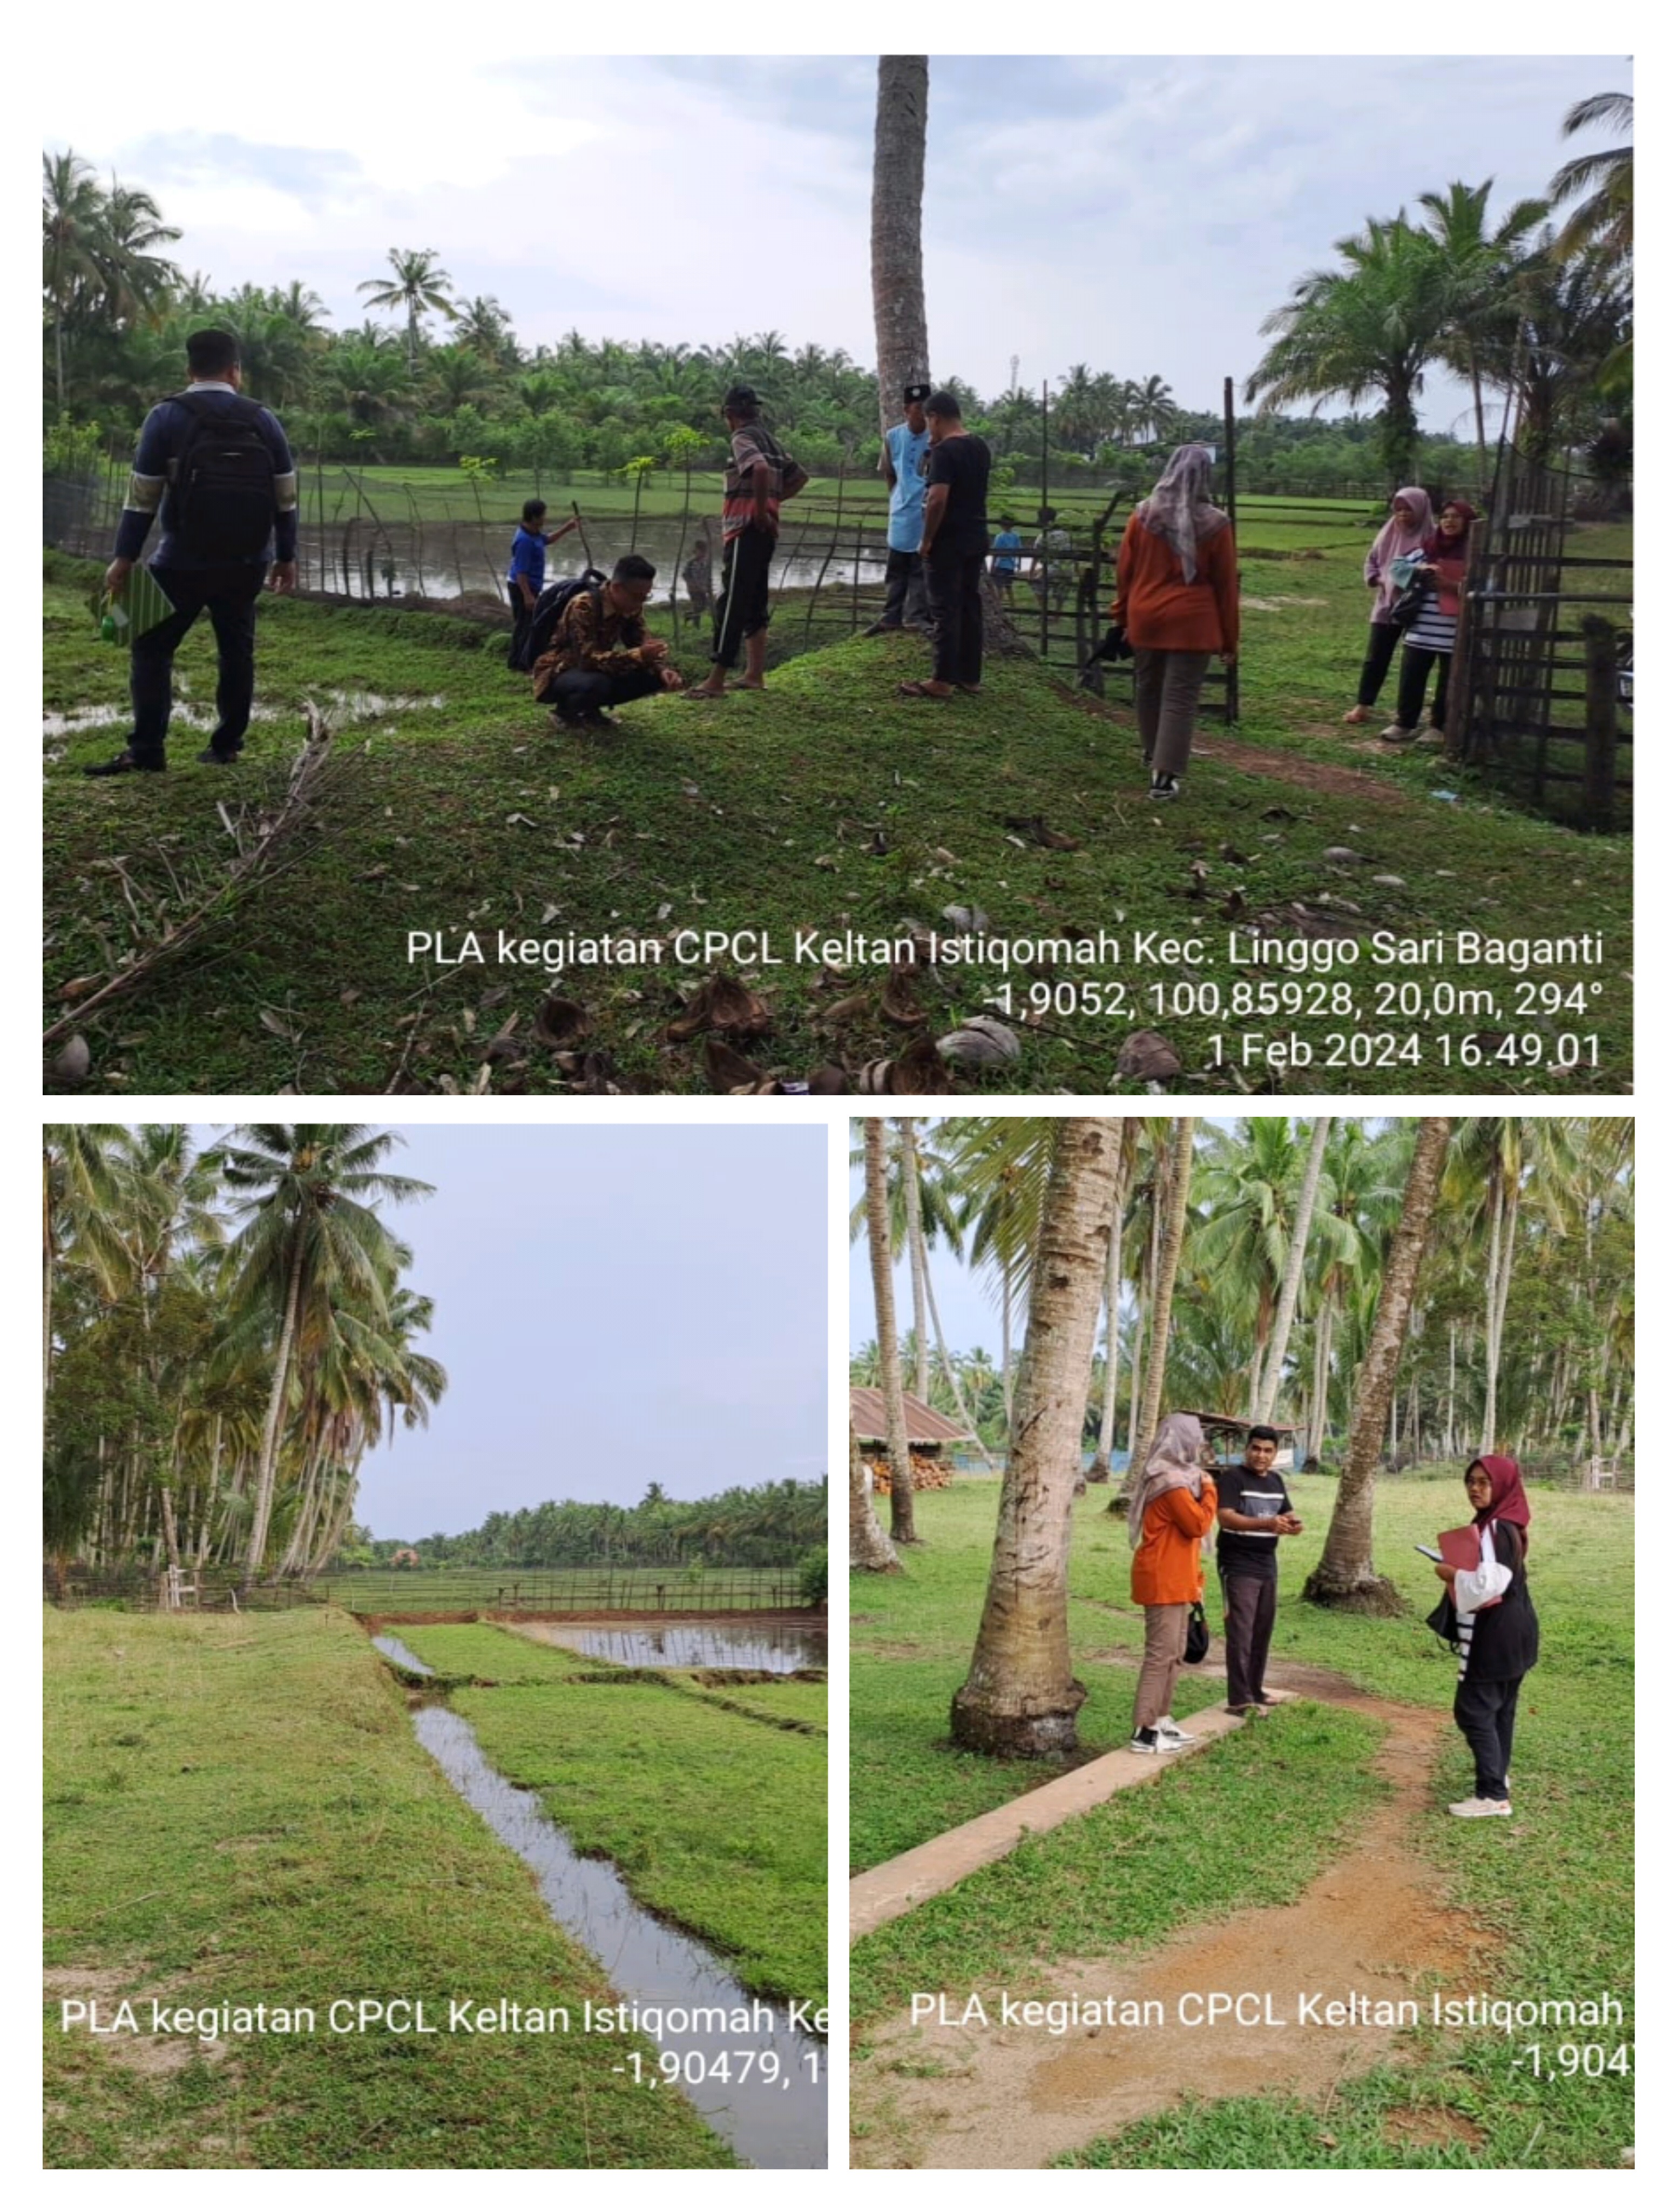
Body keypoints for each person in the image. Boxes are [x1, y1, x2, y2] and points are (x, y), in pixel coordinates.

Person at [86, 328, 299, 775]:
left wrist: (124, 557)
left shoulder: (165, 417)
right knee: (236, 650)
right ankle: (226, 747)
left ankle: (147, 752)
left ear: (190, 370)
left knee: (151, 649)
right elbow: (286, 497)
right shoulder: (264, 420)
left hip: (180, 560)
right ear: (235, 371)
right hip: (248, 561)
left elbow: (142, 498)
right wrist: (286, 555)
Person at [1111, 443, 1240, 801]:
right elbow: (1226, 586)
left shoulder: (1142, 516)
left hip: (1145, 616)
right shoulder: (1216, 523)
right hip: (1193, 623)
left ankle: (1152, 753)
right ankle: (1163, 778)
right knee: (1180, 696)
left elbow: (1125, 572)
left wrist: (1122, 615)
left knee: (1148, 687)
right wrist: (1230, 640)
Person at [1431, 1454, 1539, 1817]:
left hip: (1496, 1634)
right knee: (1501, 1711)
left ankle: (1492, 1796)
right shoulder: (1509, 1524)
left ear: (1503, 1485)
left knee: (1473, 1710)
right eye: (1470, 1482)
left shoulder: (1494, 1529)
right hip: (1519, 1630)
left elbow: (1487, 1586)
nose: (1475, 1489)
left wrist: (1449, 1573)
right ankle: (1498, 1779)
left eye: (1484, 1482)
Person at [688, 385, 807, 697]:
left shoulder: (742, 438)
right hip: (764, 532)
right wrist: (772, 504)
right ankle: (754, 674)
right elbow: (799, 477)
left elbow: (760, 468)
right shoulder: (771, 439)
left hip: (745, 530)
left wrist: (758, 510)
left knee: (731, 604)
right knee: (754, 601)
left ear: (730, 415)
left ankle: (716, 679)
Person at [1127, 1412, 1219, 1754]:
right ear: (1179, 1440)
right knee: (1159, 1654)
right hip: (1162, 1577)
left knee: (1176, 1653)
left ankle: (1162, 1720)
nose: (1199, 1444)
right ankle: (1144, 1730)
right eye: (1194, 1437)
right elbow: (1197, 1525)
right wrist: (1210, 1490)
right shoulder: (1169, 1482)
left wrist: (1196, 1580)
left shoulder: (1183, 1479)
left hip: (1179, 1577)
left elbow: (1191, 1540)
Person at [897, 389, 991, 701]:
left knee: (944, 608)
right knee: (969, 603)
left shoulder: (945, 453)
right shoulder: (980, 447)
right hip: (976, 536)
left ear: (935, 417)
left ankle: (942, 679)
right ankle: (970, 676)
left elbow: (938, 498)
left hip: (948, 540)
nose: (929, 429)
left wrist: (927, 539)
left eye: (929, 422)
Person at [531, 554, 684, 730]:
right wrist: (639, 655)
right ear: (617, 588)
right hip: (561, 670)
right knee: (596, 683)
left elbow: (639, 642)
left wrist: (661, 668)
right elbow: (586, 660)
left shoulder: (632, 608)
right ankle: (565, 711)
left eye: (646, 596)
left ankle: (591, 711)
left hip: (596, 667)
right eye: (637, 596)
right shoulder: (584, 606)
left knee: (654, 676)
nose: (641, 602)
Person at [1215, 1424, 1304, 1716]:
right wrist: (1266, 1524)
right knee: (1241, 1632)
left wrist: (1294, 1524)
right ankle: (1240, 1699)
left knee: (1261, 1631)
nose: (1261, 1455)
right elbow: (1226, 1518)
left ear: (1275, 1454)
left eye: (1267, 1451)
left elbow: (1286, 1512)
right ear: (1247, 1449)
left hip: (1267, 1564)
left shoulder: (1277, 1481)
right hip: (1238, 1564)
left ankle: (1256, 1689)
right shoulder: (1232, 1478)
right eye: (1256, 1449)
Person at [1383, 500, 1477, 743]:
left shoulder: (1475, 554)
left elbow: (1485, 588)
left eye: (1457, 517)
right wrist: (1421, 568)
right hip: (1422, 628)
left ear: (1468, 522)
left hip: (1455, 630)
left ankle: (1439, 727)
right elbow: (1397, 567)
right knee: (1412, 677)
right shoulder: (1428, 548)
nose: (1449, 521)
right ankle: (1404, 723)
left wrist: (1454, 587)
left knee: (1449, 680)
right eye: (1445, 516)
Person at [1344, 487, 1435, 724]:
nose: (1403, 514)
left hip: (1417, 607)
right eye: (1399, 509)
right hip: (1386, 605)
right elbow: (1372, 560)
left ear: (1422, 510)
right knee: (1376, 656)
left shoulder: (1432, 537)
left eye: (1409, 510)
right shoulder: (1387, 533)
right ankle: (1363, 705)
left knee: (1413, 663)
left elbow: (1433, 569)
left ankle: (1406, 713)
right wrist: (1378, 579)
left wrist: (1410, 578)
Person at [864, 382, 933, 635]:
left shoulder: (936, 438)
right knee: (896, 567)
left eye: (927, 409)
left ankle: (916, 617)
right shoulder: (893, 437)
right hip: (901, 512)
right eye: (918, 408)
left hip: (925, 512)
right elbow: (889, 472)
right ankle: (891, 616)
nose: (922, 413)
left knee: (919, 568)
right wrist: (896, 496)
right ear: (906, 410)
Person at [506, 499, 580, 668]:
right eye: (543, 515)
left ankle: (523, 660)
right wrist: (528, 596)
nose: (546, 518)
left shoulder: (533, 533)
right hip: (522, 587)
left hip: (530, 586)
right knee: (524, 626)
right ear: (534, 517)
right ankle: (517, 663)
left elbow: (547, 540)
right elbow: (521, 572)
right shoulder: (524, 541)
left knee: (530, 624)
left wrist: (568, 528)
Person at [990, 512, 1023, 599]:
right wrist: (1019, 564)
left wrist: (992, 566)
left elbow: (996, 553)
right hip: (1011, 565)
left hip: (1000, 565)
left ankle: (999, 604)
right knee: (1009, 587)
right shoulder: (1016, 536)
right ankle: (1013, 606)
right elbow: (1020, 551)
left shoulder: (1000, 537)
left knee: (999, 587)